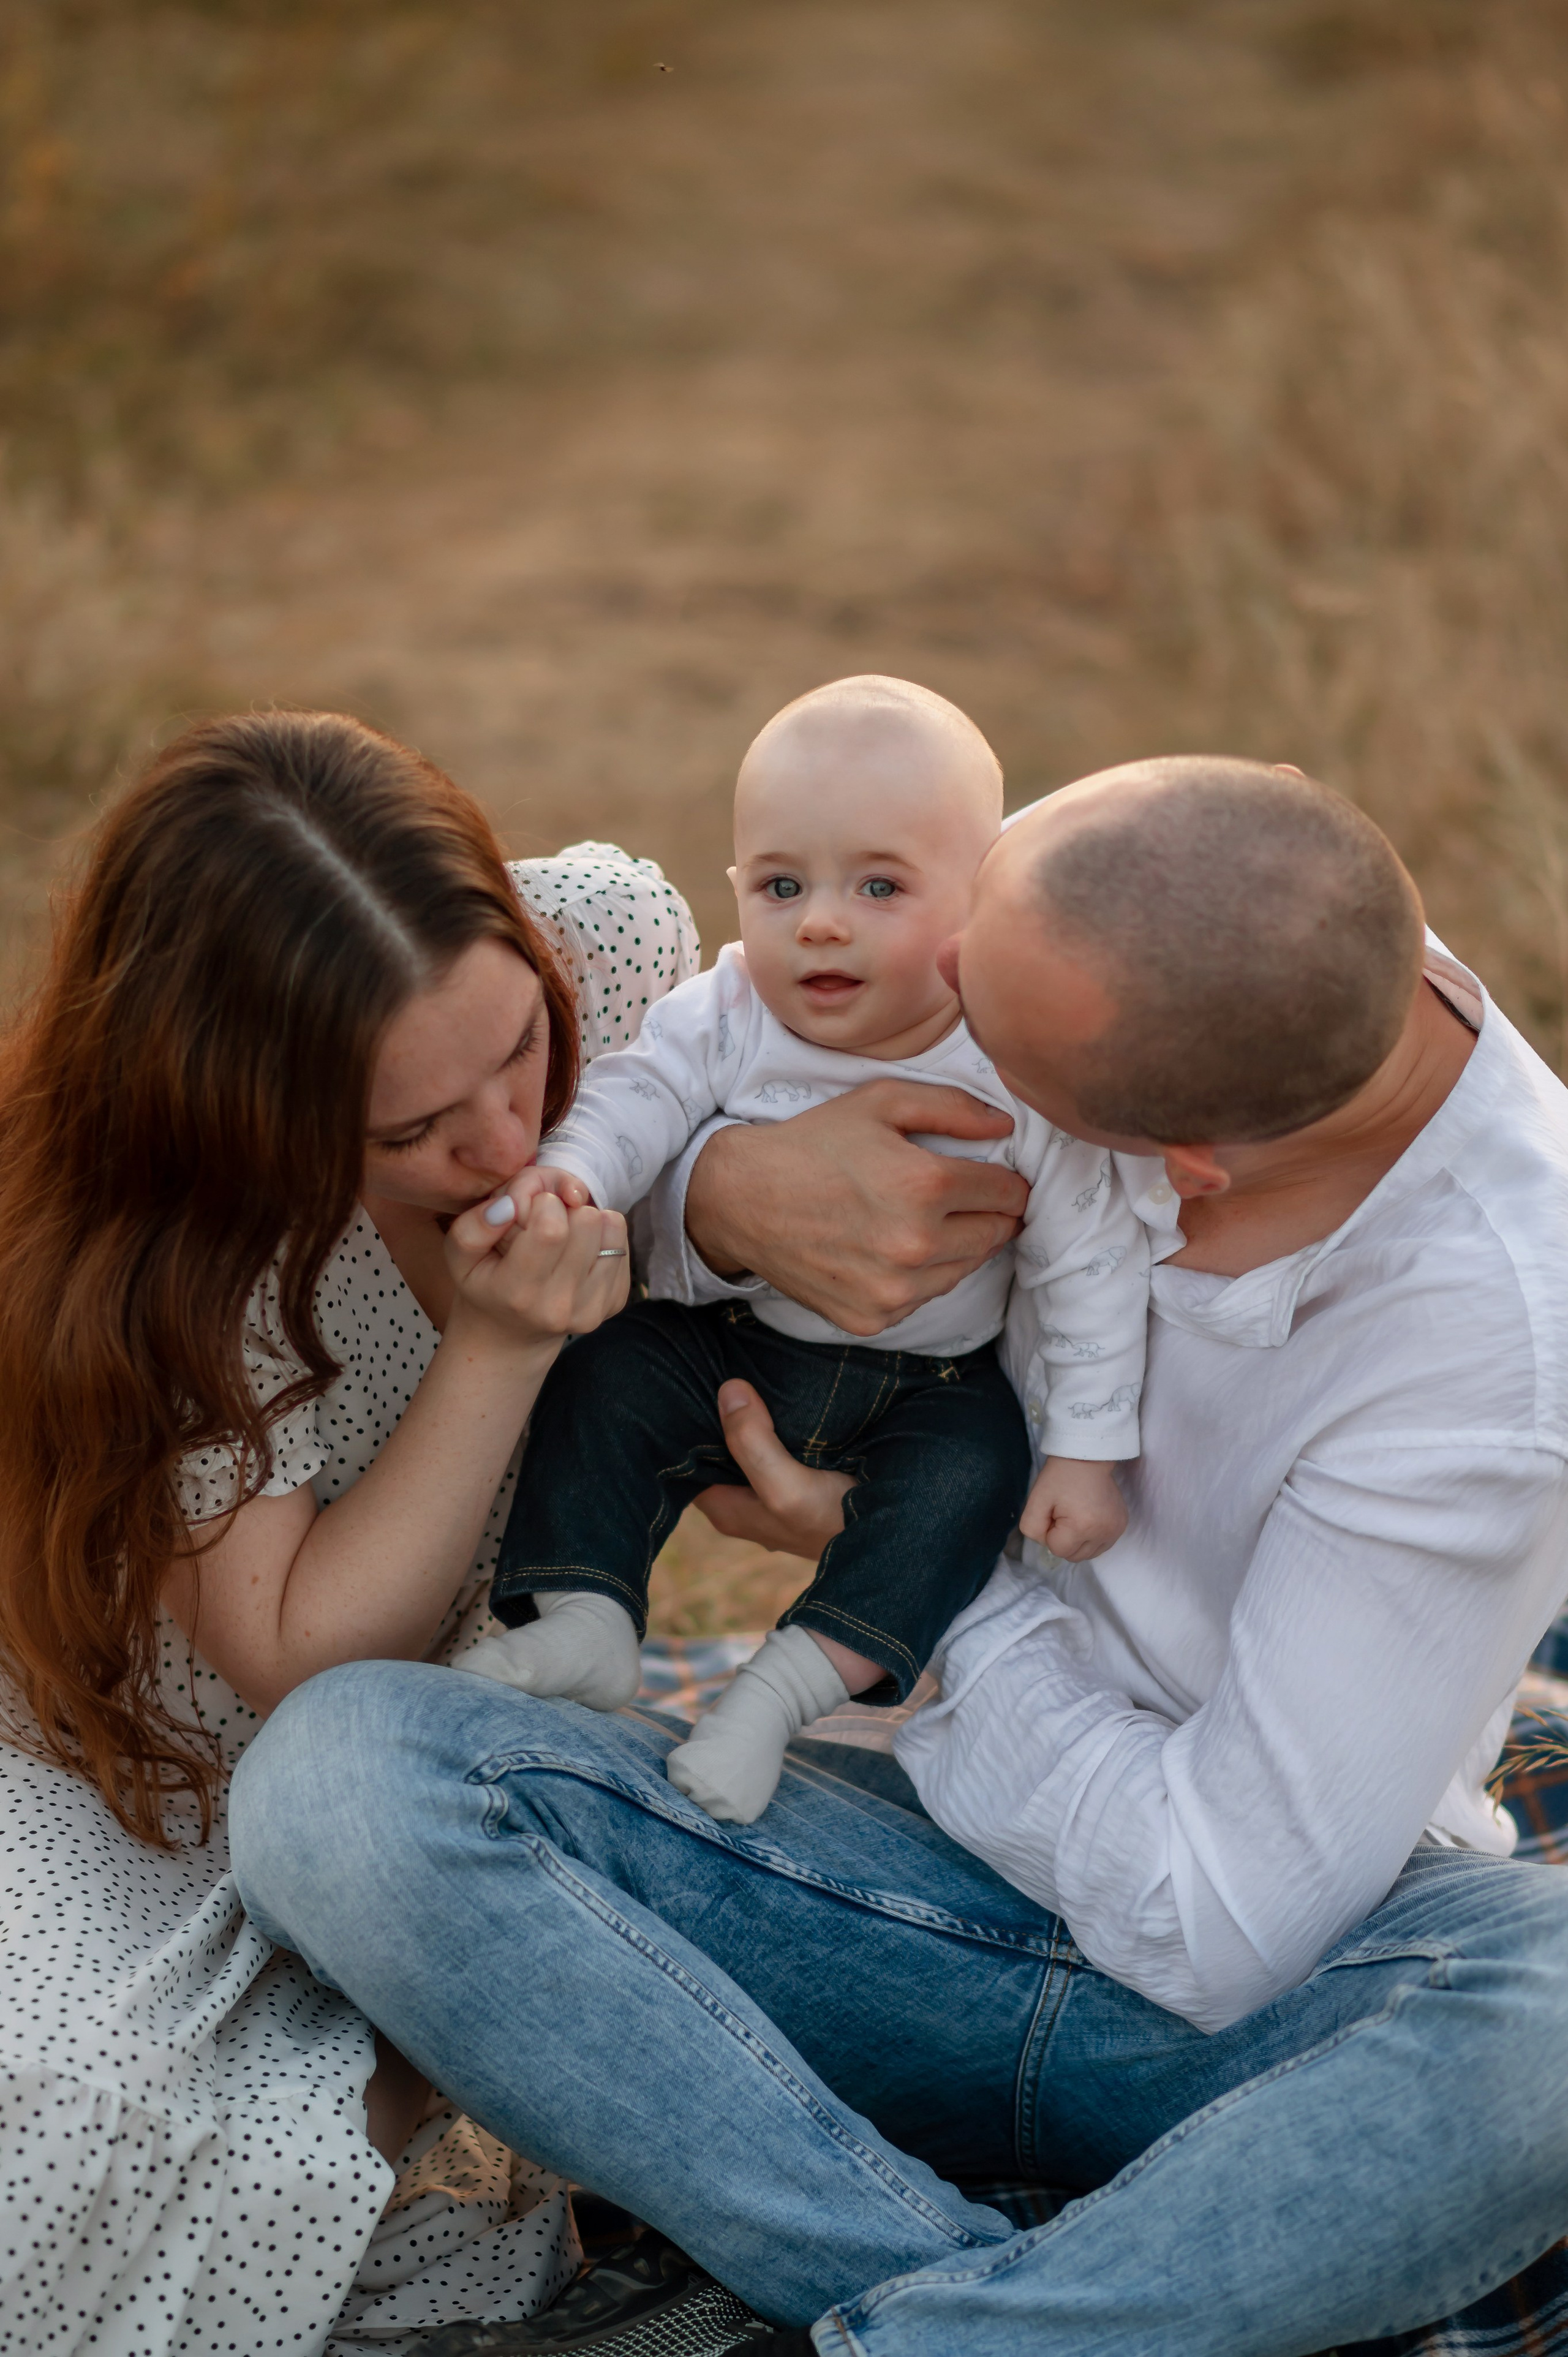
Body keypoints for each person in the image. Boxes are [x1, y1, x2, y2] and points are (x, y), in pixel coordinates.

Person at [231, 755, 1568, 2357]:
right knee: (338, 1777)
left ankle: (891, 2329)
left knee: (1553, 2018)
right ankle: (982, 2289)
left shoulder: (1490, 1359)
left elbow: (1214, 1925)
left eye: (986, 1047)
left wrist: (915, 1600)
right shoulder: (1138, 918)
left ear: (1167, 1165)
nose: (930, 1016)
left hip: (1244, 1994)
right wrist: (728, 1196)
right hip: (874, 1876)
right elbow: (694, 1129)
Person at [0, 708, 702, 2351]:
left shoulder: (604, 945)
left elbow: (747, 1120)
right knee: (71, 2107)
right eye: (410, 1136)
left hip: (420, 1739)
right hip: (134, 1755)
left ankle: (410, 2068)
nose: (507, 1142)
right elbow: (299, 1659)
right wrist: (504, 1344)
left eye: (521, 1049)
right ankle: (405, 2081)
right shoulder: (173, 1236)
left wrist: (732, 1191)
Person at [467, 676, 1147, 1825]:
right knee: (604, 1370)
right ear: (739, 887)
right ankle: (586, 1615)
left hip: (928, 1384)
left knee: (973, 1479)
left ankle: (780, 1697)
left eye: (879, 886)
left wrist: (1087, 1446)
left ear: (980, 901)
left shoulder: (1011, 1050)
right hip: (736, 1342)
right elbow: (640, 1097)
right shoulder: (731, 1009)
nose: (820, 922)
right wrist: (571, 1171)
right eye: (783, 885)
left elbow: (1091, 1253)